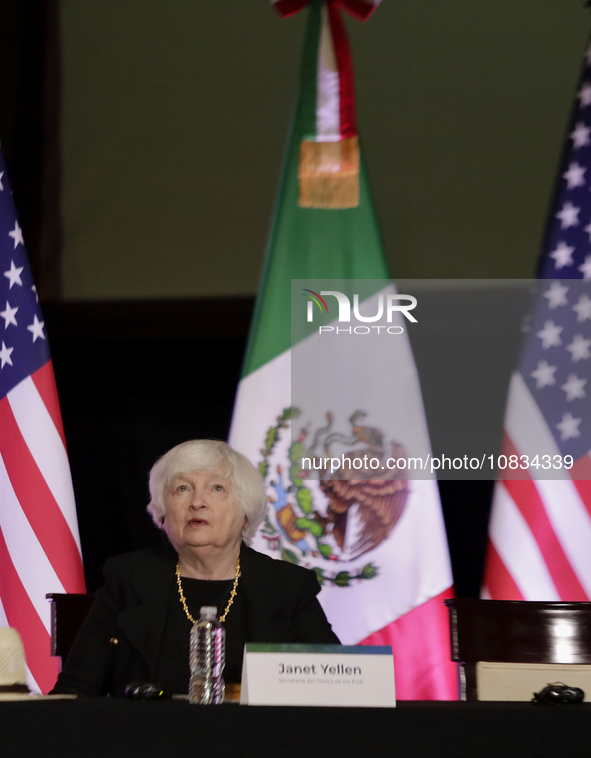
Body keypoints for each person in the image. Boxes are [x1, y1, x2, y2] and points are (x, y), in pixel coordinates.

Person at [52, 440, 339, 696]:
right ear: (163, 513)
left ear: (246, 514)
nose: (197, 503)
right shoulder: (129, 578)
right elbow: (76, 688)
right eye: (182, 489)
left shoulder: (288, 586)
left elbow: (339, 688)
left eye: (217, 488)